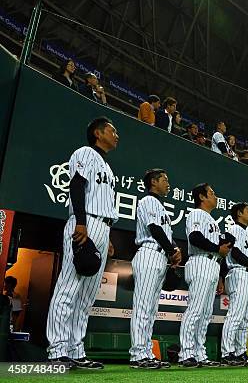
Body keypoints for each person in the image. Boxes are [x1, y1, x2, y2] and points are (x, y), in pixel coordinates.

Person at [46, 117, 119, 369]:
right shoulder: (85, 152)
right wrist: (80, 221)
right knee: (68, 287)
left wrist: (107, 238)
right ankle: (57, 349)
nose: (116, 135)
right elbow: (76, 185)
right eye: (112, 130)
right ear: (98, 133)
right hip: (84, 222)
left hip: (102, 227)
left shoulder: (107, 167)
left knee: (86, 296)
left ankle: (76, 350)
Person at [129, 169, 181, 369]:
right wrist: (172, 250)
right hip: (150, 253)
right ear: (153, 182)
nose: (168, 183)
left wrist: (173, 251)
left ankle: (146, 352)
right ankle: (138, 354)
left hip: (159, 256)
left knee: (150, 310)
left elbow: (164, 232)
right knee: (143, 307)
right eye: (165, 180)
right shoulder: (148, 201)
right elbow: (155, 229)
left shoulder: (160, 205)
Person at [179, 183, 231, 367]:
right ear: (202, 197)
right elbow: (195, 237)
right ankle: (186, 353)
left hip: (212, 265)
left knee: (206, 313)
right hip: (200, 261)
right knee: (195, 310)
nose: (215, 196)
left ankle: (199, 353)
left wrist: (219, 276)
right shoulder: (196, 214)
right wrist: (218, 248)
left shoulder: (211, 220)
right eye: (212, 193)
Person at [220, 203, 248, 366]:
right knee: (235, 315)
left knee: (245, 318)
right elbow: (235, 253)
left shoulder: (246, 234)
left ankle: (239, 352)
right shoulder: (233, 229)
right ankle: (227, 352)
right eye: (247, 211)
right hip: (238, 272)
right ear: (239, 213)